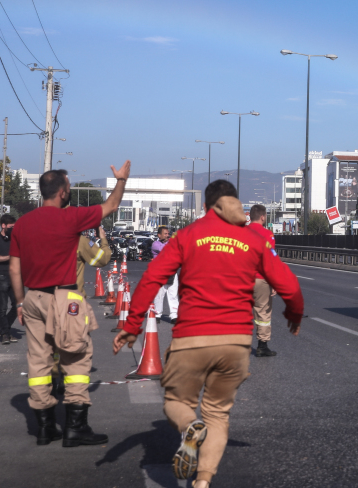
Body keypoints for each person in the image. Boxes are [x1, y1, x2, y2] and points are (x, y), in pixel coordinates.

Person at [114, 180, 304, 487]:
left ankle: (190, 426)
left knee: (176, 401)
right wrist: (293, 315)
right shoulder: (252, 239)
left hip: (192, 337)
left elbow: (152, 279)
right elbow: (290, 286)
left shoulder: (188, 235)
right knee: (218, 415)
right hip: (236, 343)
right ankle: (202, 481)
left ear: (205, 206)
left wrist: (132, 324)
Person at [9, 163, 130, 447]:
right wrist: (121, 180)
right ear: (63, 192)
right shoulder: (71, 218)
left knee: (39, 362)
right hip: (65, 298)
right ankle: (76, 427)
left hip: (32, 297)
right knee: (75, 358)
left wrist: (19, 302)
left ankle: (44, 427)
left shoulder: (23, 224)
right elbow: (111, 204)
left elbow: (14, 269)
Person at [247, 204, 279, 356]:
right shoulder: (268, 235)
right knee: (263, 313)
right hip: (260, 278)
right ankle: (262, 345)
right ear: (262, 217)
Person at [0, 214, 19, 344]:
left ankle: (4, 329)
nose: (13, 229)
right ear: (3, 226)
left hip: (15, 275)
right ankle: (5, 334)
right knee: (2, 307)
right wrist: (11, 256)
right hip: (1, 275)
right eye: (11, 227)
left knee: (18, 305)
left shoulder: (16, 239)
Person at [76, 225, 112, 298]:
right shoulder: (80, 241)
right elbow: (103, 259)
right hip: (72, 298)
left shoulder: (47, 238)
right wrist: (104, 240)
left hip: (48, 296)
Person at [151, 226, 178, 322]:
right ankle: (157, 314)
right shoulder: (155, 244)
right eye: (165, 234)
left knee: (173, 294)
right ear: (159, 235)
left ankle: (174, 315)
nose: (167, 235)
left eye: (168, 234)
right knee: (159, 294)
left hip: (172, 271)